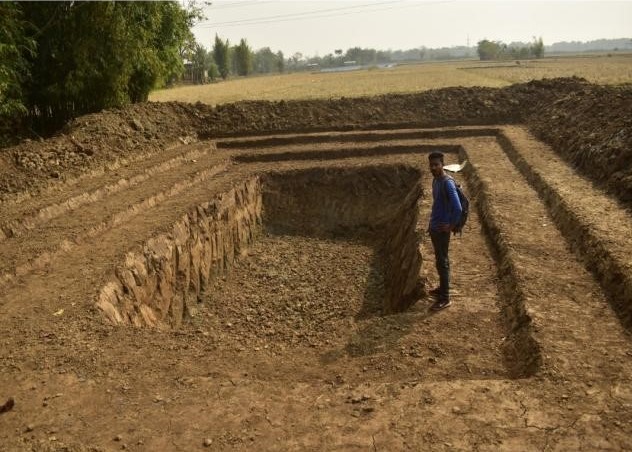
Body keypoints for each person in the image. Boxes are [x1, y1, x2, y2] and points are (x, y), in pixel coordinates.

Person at [427, 151, 462, 311]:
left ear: (442, 164)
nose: (433, 168)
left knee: (443, 261)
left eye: (436, 165)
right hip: (435, 227)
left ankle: (445, 298)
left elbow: (458, 208)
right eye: (431, 165)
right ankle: (442, 288)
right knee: (440, 260)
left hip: (442, 229)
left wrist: (451, 226)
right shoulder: (436, 181)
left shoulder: (447, 183)